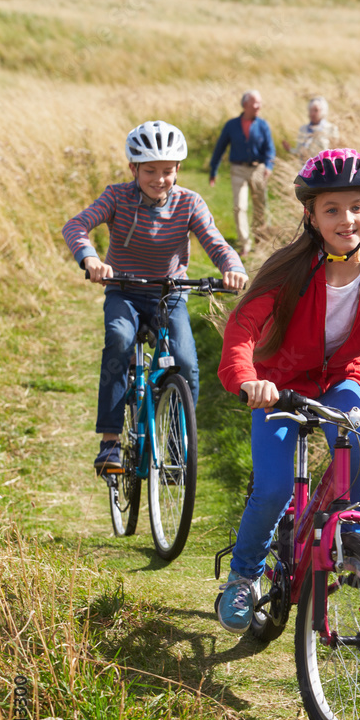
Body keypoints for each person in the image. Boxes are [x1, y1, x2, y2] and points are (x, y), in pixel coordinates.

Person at [216, 147, 360, 634]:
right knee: (276, 486)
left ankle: (350, 545)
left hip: (342, 377)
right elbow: (242, 329)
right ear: (311, 215)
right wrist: (247, 381)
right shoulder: (288, 269)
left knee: (358, 449)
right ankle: (243, 576)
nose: (346, 218)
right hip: (277, 385)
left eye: (356, 206)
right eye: (331, 209)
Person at [63, 120, 248, 476]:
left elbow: (216, 243)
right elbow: (76, 226)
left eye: (167, 171)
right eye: (150, 171)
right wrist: (91, 259)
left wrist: (233, 268)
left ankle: (178, 448)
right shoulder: (116, 196)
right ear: (134, 168)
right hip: (124, 291)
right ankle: (110, 442)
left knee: (185, 361)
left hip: (170, 293)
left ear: (178, 169)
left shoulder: (189, 203)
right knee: (118, 339)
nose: (159, 179)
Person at [208, 90, 276, 257]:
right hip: (238, 169)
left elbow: (270, 149)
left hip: (258, 170)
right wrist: (213, 170)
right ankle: (245, 243)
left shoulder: (263, 125)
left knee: (260, 207)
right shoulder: (231, 125)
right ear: (245, 105)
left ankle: (260, 241)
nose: (258, 106)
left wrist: (268, 166)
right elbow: (220, 148)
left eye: (260, 102)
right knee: (239, 207)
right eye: (255, 103)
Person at [283, 96, 339, 160]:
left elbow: (334, 154)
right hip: (305, 167)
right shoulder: (303, 129)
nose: (312, 114)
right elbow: (299, 152)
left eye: (316, 110)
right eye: (310, 110)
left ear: (323, 111)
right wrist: (290, 150)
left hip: (323, 167)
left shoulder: (332, 129)